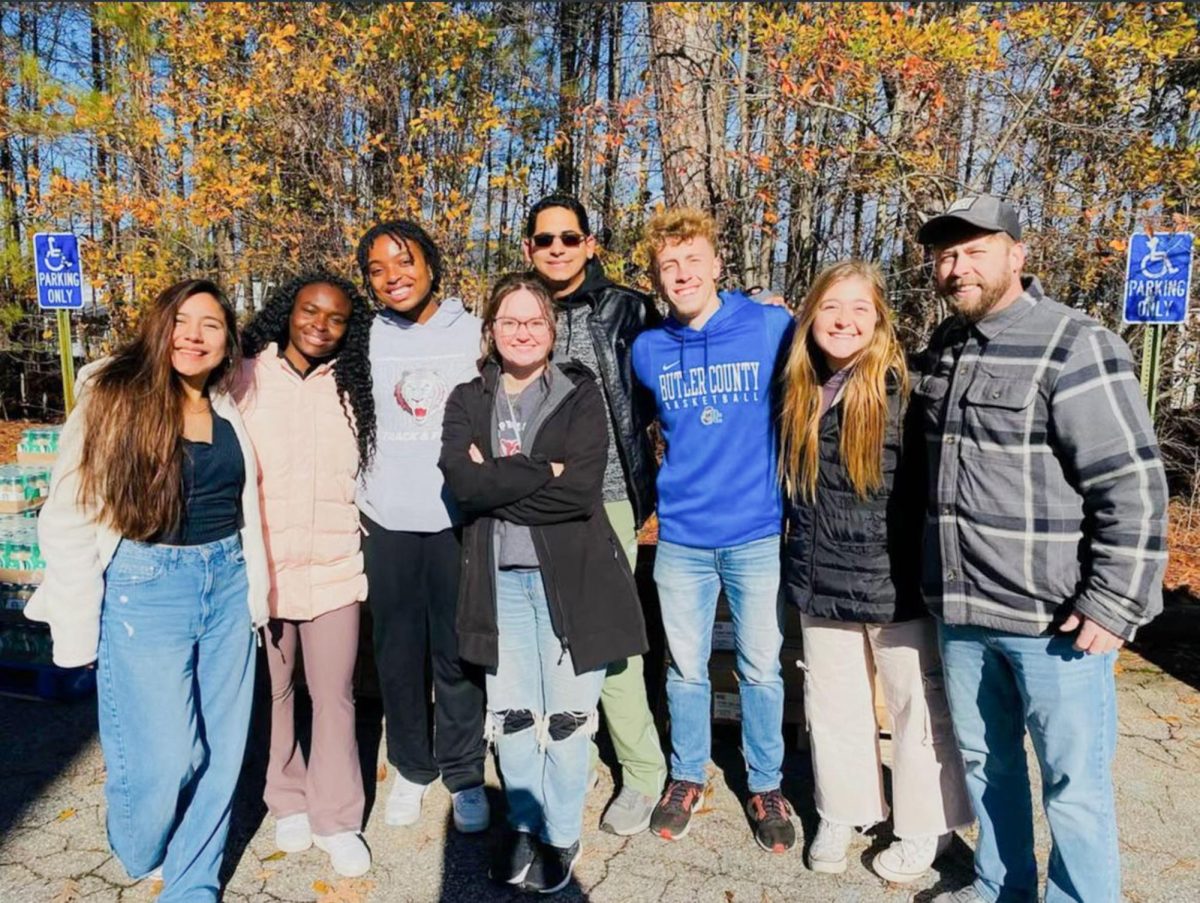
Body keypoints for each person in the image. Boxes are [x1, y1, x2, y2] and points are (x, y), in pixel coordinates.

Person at [913, 195, 1169, 903]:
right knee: (987, 765)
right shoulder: (943, 349)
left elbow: (1133, 484)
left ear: (1017, 255)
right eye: (946, 253)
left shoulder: (1075, 342)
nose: (957, 265)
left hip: (1055, 622)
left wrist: (1115, 602)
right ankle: (1003, 886)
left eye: (974, 249)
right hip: (963, 613)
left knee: (1073, 783)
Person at [25, 279, 269, 902]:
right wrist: (75, 628)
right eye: (182, 320)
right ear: (159, 327)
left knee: (222, 749)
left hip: (227, 581)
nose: (194, 335)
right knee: (163, 757)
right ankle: (139, 846)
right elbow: (69, 510)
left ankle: (192, 882)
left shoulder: (227, 403)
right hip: (146, 584)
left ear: (227, 341)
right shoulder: (114, 397)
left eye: (211, 324)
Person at [439, 273, 648, 893]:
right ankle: (524, 826)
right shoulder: (466, 399)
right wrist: (539, 472)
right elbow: (463, 484)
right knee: (516, 716)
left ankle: (560, 833)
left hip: (571, 580)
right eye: (510, 321)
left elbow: (581, 488)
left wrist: (499, 480)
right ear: (491, 330)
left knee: (566, 717)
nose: (522, 332)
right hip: (499, 584)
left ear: (552, 330)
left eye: (534, 321)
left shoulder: (579, 394)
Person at [778, 260, 972, 881]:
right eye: (832, 307)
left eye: (860, 308)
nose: (844, 320)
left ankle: (925, 826)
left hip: (898, 582)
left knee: (916, 706)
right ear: (810, 317)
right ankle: (843, 810)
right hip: (819, 576)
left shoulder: (908, 387)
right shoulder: (800, 388)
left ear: (881, 319)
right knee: (832, 703)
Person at [631, 208, 796, 853]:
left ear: (716, 264)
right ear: (658, 277)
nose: (682, 274)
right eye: (669, 265)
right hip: (681, 536)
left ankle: (766, 783)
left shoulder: (769, 326)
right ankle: (686, 774)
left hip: (755, 531)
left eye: (692, 260)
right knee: (685, 668)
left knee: (760, 668)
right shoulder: (648, 350)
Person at [521, 193, 667, 835]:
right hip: (531, 498)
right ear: (529, 248)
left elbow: (677, 380)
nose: (557, 248)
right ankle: (552, 765)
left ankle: (642, 772)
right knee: (541, 641)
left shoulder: (628, 309)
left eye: (569, 238)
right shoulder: (517, 311)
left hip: (608, 498)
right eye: (545, 239)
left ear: (590, 245)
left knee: (609, 643)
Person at [235, 272, 376, 876]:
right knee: (275, 694)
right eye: (309, 311)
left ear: (351, 327)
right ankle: (286, 797)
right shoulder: (243, 376)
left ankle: (337, 816)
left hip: (336, 570)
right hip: (264, 571)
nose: (320, 325)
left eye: (336, 317)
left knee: (336, 696)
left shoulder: (353, 387)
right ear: (286, 312)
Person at [355, 220, 489, 832]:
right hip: (386, 517)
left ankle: (464, 773)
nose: (393, 278)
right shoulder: (365, 336)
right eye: (378, 270)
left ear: (432, 264)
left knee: (458, 652)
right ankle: (411, 768)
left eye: (403, 262)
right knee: (398, 653)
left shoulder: (473, 330)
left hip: (454, 517)